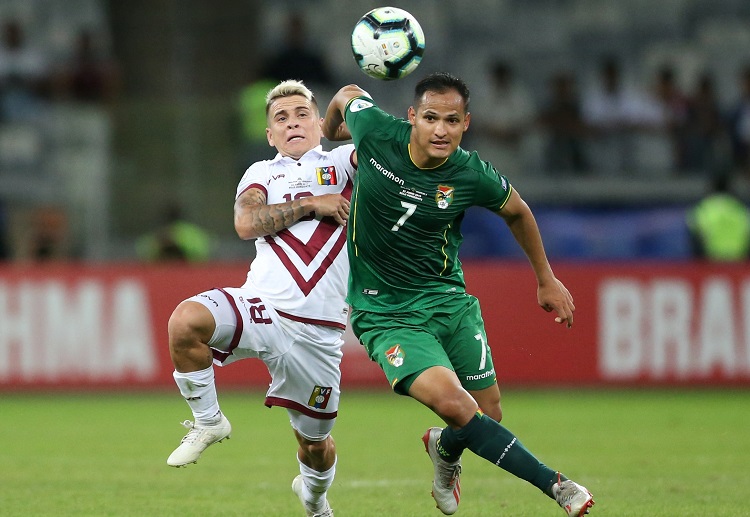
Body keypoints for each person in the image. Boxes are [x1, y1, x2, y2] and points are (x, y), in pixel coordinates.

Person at [322, 72, 594, 516]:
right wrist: (328, 129)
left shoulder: (470, 173)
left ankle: (444, 449)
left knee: (487, 414)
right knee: (455, 403)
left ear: (466, 123)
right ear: (412, 117)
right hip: (386, 312)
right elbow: (347, 94)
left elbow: (518, 211)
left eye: (451, 120)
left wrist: (546, 278)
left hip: (449, 302)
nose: (440, 130)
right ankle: (557, 486)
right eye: (430, 118)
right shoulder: (374, 131)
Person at [166, 79, 355, 517]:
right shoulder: (261, 173)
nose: (292, 123)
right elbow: (246, 223)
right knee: (185, 322)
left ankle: (313, 498)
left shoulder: (345, 162)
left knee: (315, 445)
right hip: (261, 307)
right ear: (269, 135)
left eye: (301, 114)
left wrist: (345, 112)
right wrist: (312, 204)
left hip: (318, 330)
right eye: (281, 118)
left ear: (319, 122)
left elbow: (380, 133)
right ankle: (209, 421)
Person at [687, 174, 750, 261]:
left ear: (711, 188)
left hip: (712, 263)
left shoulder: (703, 209)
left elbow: (696, 237)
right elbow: (747, 234)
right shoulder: (741, 209)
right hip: (739, 263)